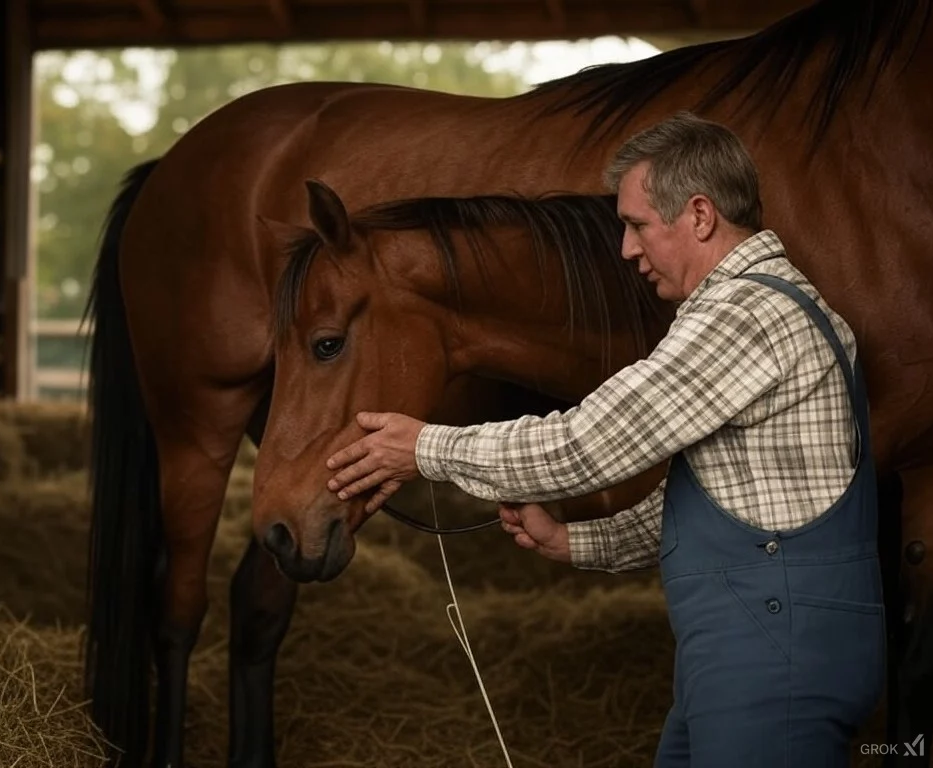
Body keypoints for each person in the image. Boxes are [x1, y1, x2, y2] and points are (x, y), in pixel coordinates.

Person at [325, 111, 885, 767]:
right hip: (748, 650)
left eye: (638, 224)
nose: (625, 249)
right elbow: (719, 499)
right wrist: (575, 541)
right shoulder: (765, 306)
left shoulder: (746, 315)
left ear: (700, 216)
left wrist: (424, 449)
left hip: (774, 656)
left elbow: (586, 445)